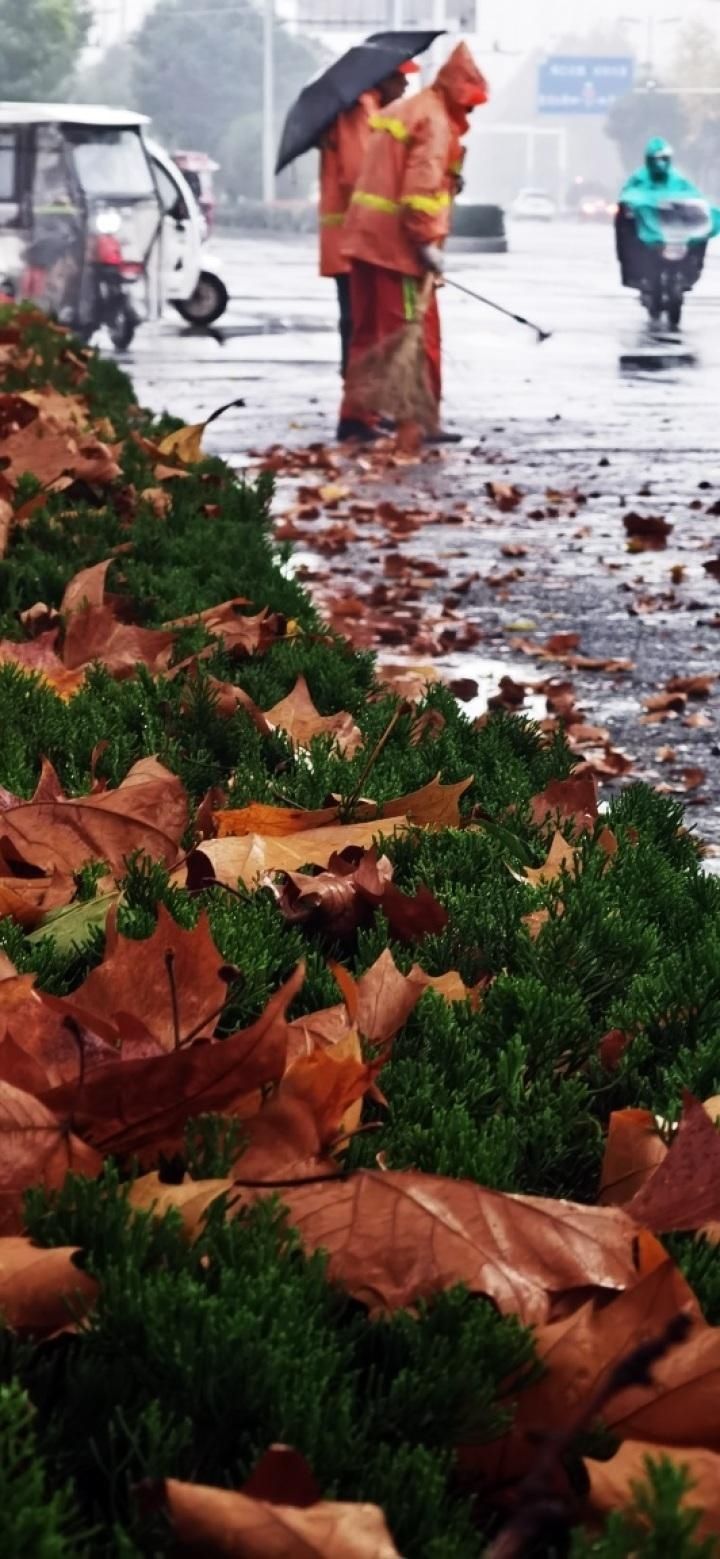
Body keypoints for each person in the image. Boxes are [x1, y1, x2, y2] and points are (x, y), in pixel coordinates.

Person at [337, 41, 489, 442]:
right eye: (470, 104)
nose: (471, 112)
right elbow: (418, 192)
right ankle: (416, 421)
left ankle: (356, 416)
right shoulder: (436, 122)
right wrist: (426, 245)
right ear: (460, 93)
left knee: (369, 335)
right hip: (397, 249)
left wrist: (450, 178)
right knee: (414, 336)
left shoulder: (405, 111)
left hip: (366, 241)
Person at [319, 62, 418, 378]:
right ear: (383, 77)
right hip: (355, 239)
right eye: (401, 78)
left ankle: (361, 394)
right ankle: (359, 400)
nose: (405, 87)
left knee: (361, 320)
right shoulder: (359, 110)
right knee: (360, 321)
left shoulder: (370, 109)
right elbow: (361, 174)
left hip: (357, 238)